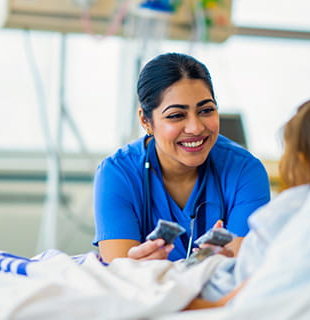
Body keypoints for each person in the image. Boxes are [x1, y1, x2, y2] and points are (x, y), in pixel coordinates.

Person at [185, 82, 310, 309]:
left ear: (301, 160)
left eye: (287, 152)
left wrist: (188, 303)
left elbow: (253, 290)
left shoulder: (294, 206)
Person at [92, 53, 271, 262]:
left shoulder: (245, 171)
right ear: (146, 120)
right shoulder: (118, 174)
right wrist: (134, 268)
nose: (195, 128)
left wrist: (224, 264)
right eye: (176, 115)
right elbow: (119, 274)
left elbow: (241, 272)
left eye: (206, 110)